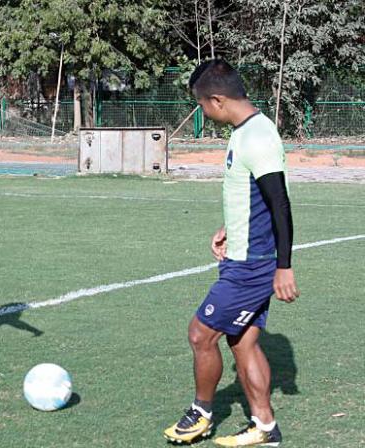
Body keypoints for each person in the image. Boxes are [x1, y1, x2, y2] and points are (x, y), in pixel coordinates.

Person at [163, 59, 298, 447]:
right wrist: (231, 229)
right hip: (246, 255)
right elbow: (253, 195)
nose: (202, 112)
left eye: (202, 105)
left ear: (218, 101)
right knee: (243, 341)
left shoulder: (257, 137)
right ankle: (265, 427)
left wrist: (284, 267)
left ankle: (201, 414)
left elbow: (280, 204)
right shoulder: (246, 131)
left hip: (251, 267)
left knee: (200, 335)